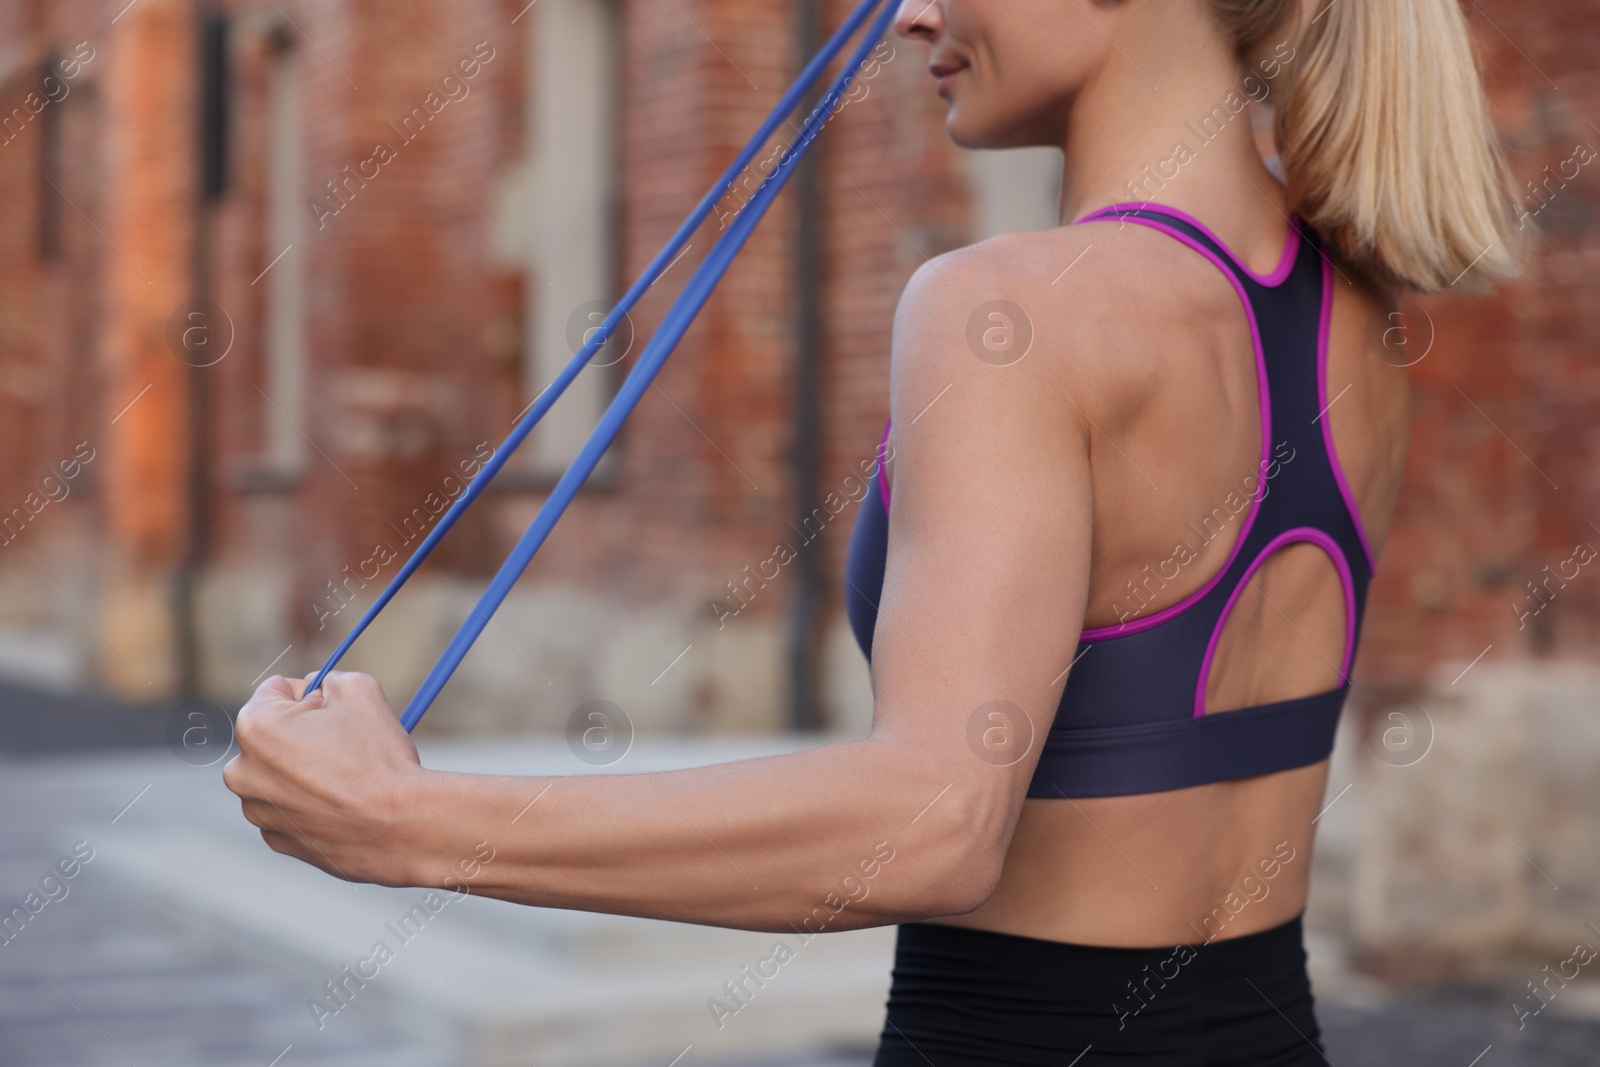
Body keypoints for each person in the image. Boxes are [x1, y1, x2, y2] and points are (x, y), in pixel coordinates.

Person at [224, 0, 1521, 1062]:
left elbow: (933, 823)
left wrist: (408, 820)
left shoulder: (1004, 308)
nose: (908, 17)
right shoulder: (1359, 312)